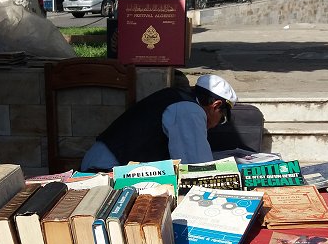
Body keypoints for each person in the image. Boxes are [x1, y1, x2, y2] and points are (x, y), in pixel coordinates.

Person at [80, 72, 237, 172]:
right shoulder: (189, 110)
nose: (217, 124)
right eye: (222, 119)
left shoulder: (178, 96)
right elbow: (196, 168)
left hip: (107, 162)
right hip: (104, 170)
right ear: (216, 106)